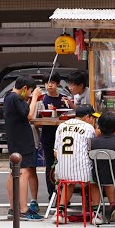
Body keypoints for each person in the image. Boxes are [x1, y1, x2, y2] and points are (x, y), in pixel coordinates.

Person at [51, 104, 103, 225]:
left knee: (68, 183)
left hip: (62, 172)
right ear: (86, 117)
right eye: (92, 117)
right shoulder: (88, 128)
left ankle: (60, 212)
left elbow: (55, 153)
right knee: (95, 180)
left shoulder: (61, 126)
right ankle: (96, 213)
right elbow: (93, 148)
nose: (94, 120)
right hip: (83, 172)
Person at [4, 75, 44, 221]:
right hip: (22, 141)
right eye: (30, 91)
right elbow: (29, 115)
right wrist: (34, 98)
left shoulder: (9, 97)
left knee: (13, 172)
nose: (30, 94)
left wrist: (29, 99)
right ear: (25, 88)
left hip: (14, 140)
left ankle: (13, 208)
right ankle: (23, 209)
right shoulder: (16, 98)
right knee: (24, 172)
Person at [40, 72, 68, 200]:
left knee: (65, 164)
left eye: (52, 82)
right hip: (48, 135)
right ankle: (52, 194)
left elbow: (69, 115)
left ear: (57, 84)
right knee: (50, 165)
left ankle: (64, 196)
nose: (49, 85)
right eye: (46, 82)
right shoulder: (42, 99)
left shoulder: (63, 99)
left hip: (63, 136)